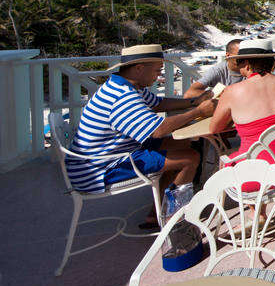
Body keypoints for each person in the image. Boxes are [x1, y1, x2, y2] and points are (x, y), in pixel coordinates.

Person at [66, 44, 217, 205]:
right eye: (157, 71)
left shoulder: (125, 84)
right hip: (100, 169)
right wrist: (199, 111)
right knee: (190, 158)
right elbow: (158, 130)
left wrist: (193, 101)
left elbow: (158, 103)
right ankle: (175, 217)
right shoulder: (122, 96)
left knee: (184, 143)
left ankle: (159, 209)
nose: (159, 76)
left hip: (108, 154)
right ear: (139, 69)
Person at [209, 39, 275, 189]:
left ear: (247, 64)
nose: (237, 65)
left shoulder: (232, 91)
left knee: (227, 161)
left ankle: (257, 210)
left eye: (239, 61)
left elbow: (214, 129)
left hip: (257, 174)